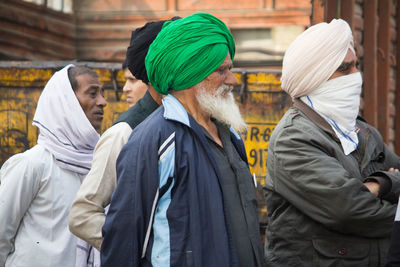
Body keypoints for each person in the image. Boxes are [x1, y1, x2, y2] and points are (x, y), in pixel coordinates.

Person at [101, 12, 264, 267]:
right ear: (191, 75)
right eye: (221, 71)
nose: (232, 80)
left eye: (229, 70)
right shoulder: (154, 140)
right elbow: (124, 242)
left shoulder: (230, 136)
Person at [264, 19, 400, 266]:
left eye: (356, 66)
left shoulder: (362, 132)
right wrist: (387, 193)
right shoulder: (293, 139)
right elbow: (352, 211)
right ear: (316, 77)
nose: (356, 77)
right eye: (345, 69)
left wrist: (381, 183)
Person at [68, 19, 178, 251]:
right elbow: (83, 215)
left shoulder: (197, 124)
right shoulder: (123, 133)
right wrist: (139, 249)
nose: (126, 88)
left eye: (131, 80)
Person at [0, 65, 106, 267]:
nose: (103, 102)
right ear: (66, 103)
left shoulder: (100, 164)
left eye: (102, 94)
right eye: (92, 94)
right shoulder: (32, 164)